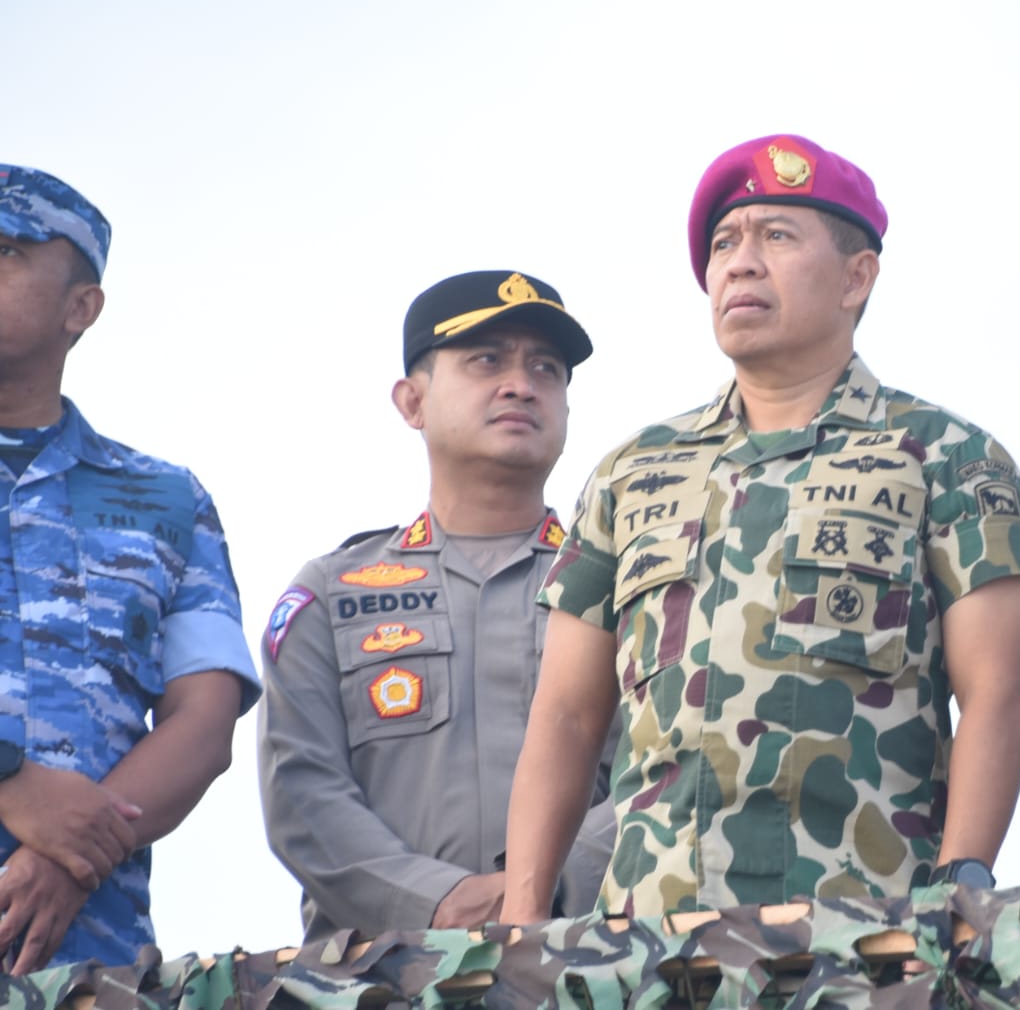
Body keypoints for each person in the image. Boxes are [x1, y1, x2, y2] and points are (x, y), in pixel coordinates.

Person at [501, 134, 1020, 924]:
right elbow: (565, 714)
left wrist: (959, 890)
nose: (740, 263)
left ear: (857, 277)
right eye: (725, 243)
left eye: (776, 237)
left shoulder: (946, 456)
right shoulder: (634, 471)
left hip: (865, 934)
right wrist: (524, 923)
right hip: (651, 941)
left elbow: (998, 692)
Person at [258, 270, 617, 940]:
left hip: (583, 965)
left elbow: (665, 769)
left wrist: (546, 890)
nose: (520, 384)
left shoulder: (628, 589)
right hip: (379, 975)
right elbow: (301, 790)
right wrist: (437, 900)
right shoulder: (332, 595)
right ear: (411, 401)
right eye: (487, 360)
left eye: (546, 368)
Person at [0, 164, 259, 972]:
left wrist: (75, 851)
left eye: (6, 250)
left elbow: (204, 721)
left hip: (89, 953)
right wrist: (13, 782)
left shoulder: (165, 499)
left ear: (81, 307)